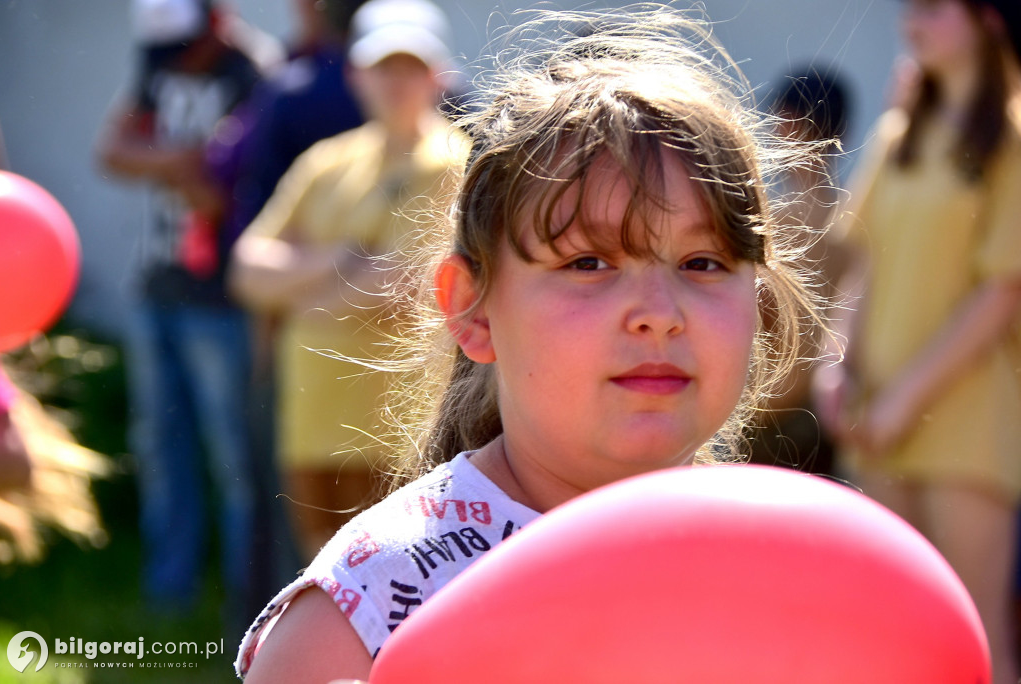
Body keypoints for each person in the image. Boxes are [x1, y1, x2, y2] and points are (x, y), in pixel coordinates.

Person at [233, 5, 825, 681]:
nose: (659, 315)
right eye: (588, 263)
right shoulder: (367, 618)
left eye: (704, 264)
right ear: (473, 311)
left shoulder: (795, 576)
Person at [816, 1, 1021, 681]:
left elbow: (1002, 294)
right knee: (887, 642)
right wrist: (838, 362)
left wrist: (905, 399)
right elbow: (867, 259)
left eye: (935, 8)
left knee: (978, 642)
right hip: (877, 419)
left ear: (989, 21)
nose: (914, 20)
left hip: (967, 426)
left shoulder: (1012, 140)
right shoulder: (902, 130)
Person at [228, 0, 467, 562]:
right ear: (357, 73)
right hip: (312, 418)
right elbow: (245, 270)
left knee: (402, 577)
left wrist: (299, 292)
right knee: (322, 574)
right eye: (383, 66)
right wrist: (341, 259)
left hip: (402, 426)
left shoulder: (455, 163)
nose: (396, 82)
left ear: (437, 76)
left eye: (410, 67)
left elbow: (404, 286)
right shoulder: (326, 162)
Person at [94, 0, 271, 637]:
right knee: (159, 447)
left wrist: (173, 165)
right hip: (156, 288)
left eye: (185, 47)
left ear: (219, 21)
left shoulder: (258, 77)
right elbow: (111, 150)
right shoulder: (159, 60)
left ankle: (247, 609)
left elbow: (237, 191)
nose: (174, 63)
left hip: (222, 303)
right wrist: (179, 160)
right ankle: (169, 594)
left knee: (235, 459)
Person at [748, 66, 852, 475]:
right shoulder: (853, 216)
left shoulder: (777, 220)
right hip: (831, 415)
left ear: (791, 122)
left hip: (770, 418)